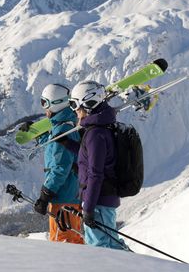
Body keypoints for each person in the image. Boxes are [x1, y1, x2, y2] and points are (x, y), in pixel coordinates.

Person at [22, 83, 84, 244]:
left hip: (63, 199)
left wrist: (45, 194)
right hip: (70, 196)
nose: (44, 109)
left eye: (45, 103)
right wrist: (36, 134)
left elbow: (60, 168)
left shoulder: (62, 130)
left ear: (55, 103)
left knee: (63, 243)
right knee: (73, 241)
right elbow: (54, 145)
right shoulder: (65, 126)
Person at [67, 80, 125, 249]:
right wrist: (66, 143)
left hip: (98, 201)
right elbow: (90, 156)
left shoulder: (95, 133)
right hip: (103, 198)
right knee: (109, 245)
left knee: (101, 248)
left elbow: (95, 173)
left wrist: (89, 208)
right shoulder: (100, 129)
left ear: (86, 104)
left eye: (74, 105)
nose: (75, 111)